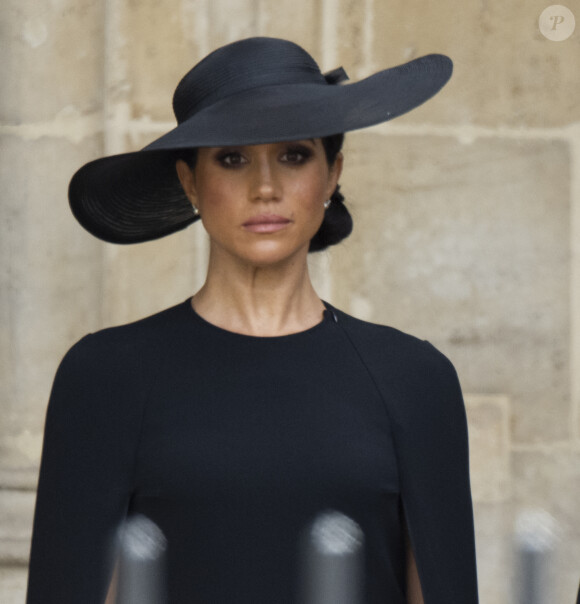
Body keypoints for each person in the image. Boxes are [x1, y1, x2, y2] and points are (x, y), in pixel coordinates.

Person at [26, 37, 479, 603]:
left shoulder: (415, 378)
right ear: (190, 182)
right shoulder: (105, 375)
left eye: (294, 155)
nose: (265, 188)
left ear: (333, 172)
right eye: (232, 158)